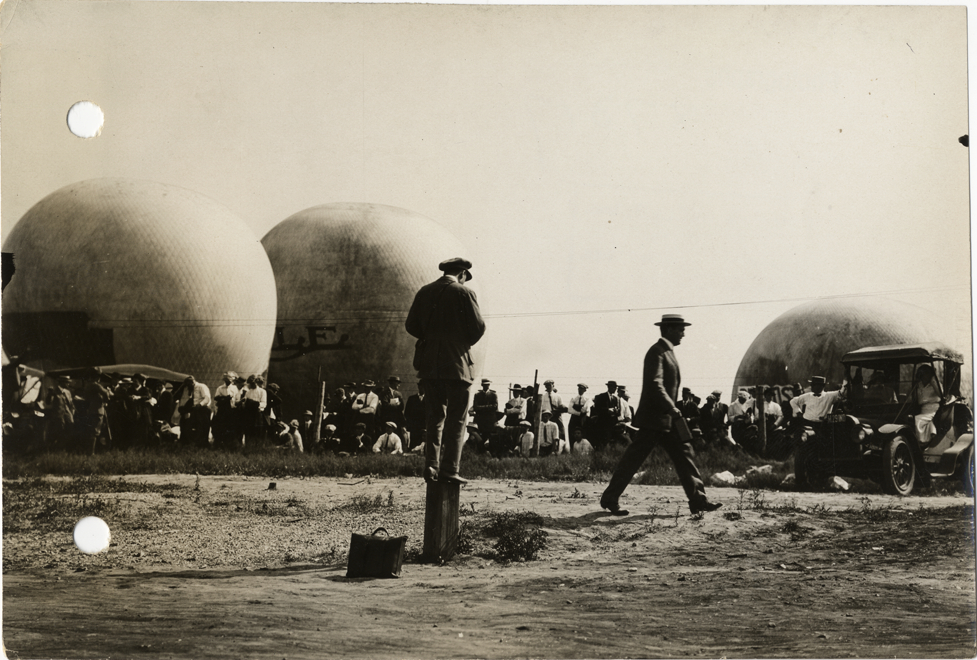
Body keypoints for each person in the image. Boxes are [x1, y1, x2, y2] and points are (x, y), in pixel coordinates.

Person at [600, 314, 721, 516]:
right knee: (633, 460)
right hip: (655, 419)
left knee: (685, 456)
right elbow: (655, 385)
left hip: (668, 421)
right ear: (669, 330)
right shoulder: (656, 352)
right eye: (680, 329)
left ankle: (698, 500)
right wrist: (671, 407)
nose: (683, 333)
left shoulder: (668, 352)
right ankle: (610, 499)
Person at [405, 257, 486, 485]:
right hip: (457, 366)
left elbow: (411, 325)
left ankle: (431, 466)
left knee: (434, 419)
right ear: (462, 274)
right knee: (457, 419)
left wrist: (431, 338)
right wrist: (459, 342)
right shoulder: (464, 293)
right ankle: (450, 469)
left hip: (429, 366)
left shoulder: (424, 291)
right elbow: (478, 328)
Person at [911, 364, 941, 446]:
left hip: (933, 410)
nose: (924, 376)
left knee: (916, 419)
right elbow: (912, 397)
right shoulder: (918, 385)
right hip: (923, 410)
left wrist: (934, 382)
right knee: (911, 419)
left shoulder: (935, 384)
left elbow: (941, 394)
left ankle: (921, 442)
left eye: (926, 374)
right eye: (922, 374)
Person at [44, 375, 75, 451]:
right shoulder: (54, 391)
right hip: (58, 416)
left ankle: (61, 447)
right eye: (67, 383)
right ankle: (57, 449)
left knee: (70, 430)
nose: (68, 384)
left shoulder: (68, 392)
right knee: (60, 432)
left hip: (68, 415)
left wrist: (72, 412)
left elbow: (71, 404)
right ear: (62, 383)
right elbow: (48, 402)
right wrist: (49, 394)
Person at [211, 371, 240, 449]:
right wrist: (216, 411)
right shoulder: (220, 388)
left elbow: (237, 399)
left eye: (230, 379)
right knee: (220, 427)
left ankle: (229, 445)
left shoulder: (234, 388)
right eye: (226, 379)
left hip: (231, 411)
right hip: (222, 411)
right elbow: (216, 400)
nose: (228, 381)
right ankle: (219, 444)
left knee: (230, 428)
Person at [591, 381, 620, 451]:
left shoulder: (615, 399)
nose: (615, 389)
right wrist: (607, 410)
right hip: (602, 425)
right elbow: (597, 409)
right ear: (609, 387)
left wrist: (616, 411)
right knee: (602, 443)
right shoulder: (601, 397)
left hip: (612, 425)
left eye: (616, 388)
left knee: (610, 443)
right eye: (614, 387)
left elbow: (618, 411)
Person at [567, 383, 591, 449]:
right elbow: (569, 410)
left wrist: (575, 408)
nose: (580, 390)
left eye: (582, 389)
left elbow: (584, 409)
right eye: (579, 388)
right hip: (574, 419)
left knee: (583, 435)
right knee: (572, 434)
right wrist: (578, 413)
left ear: (585, 390)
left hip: (582, 420)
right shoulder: (574, 398)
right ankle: (573, 450)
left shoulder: (587, 399)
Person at [403, 382, 425, 452]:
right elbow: (407, 413)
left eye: (424, 387)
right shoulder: (412, 399)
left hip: (424, 425)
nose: (423, 389)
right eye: (421, 386)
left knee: (424, 441)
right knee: (414, 442)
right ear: (418, 387)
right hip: (414, 426)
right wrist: (410, 424)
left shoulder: (429, 399)